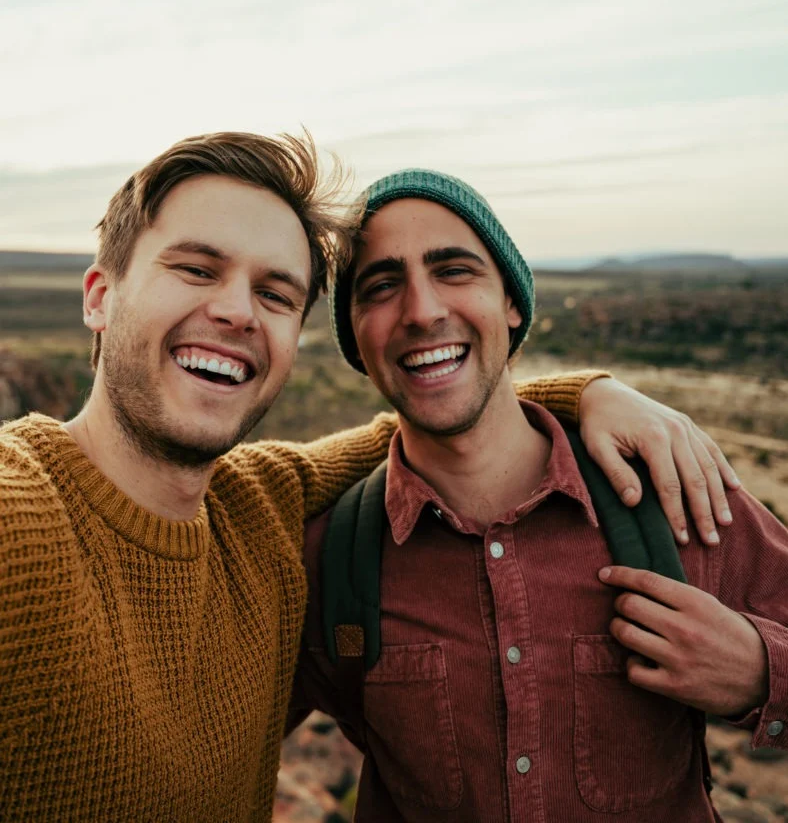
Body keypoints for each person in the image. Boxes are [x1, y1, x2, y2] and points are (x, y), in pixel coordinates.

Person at [0, 132, 734, 822]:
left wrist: (583, 394)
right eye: (196, 268)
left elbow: (429, 422)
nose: (235, 311)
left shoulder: (263, 507)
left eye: (277, 294)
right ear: (98, 295)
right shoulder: (21, 514)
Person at [291, 168, 788, 823]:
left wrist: (763, 673)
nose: (421, 311)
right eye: (381, 286)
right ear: (356, 337)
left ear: (512, 302)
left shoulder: (668, 497)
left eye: (454, 270)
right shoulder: (330, 557)